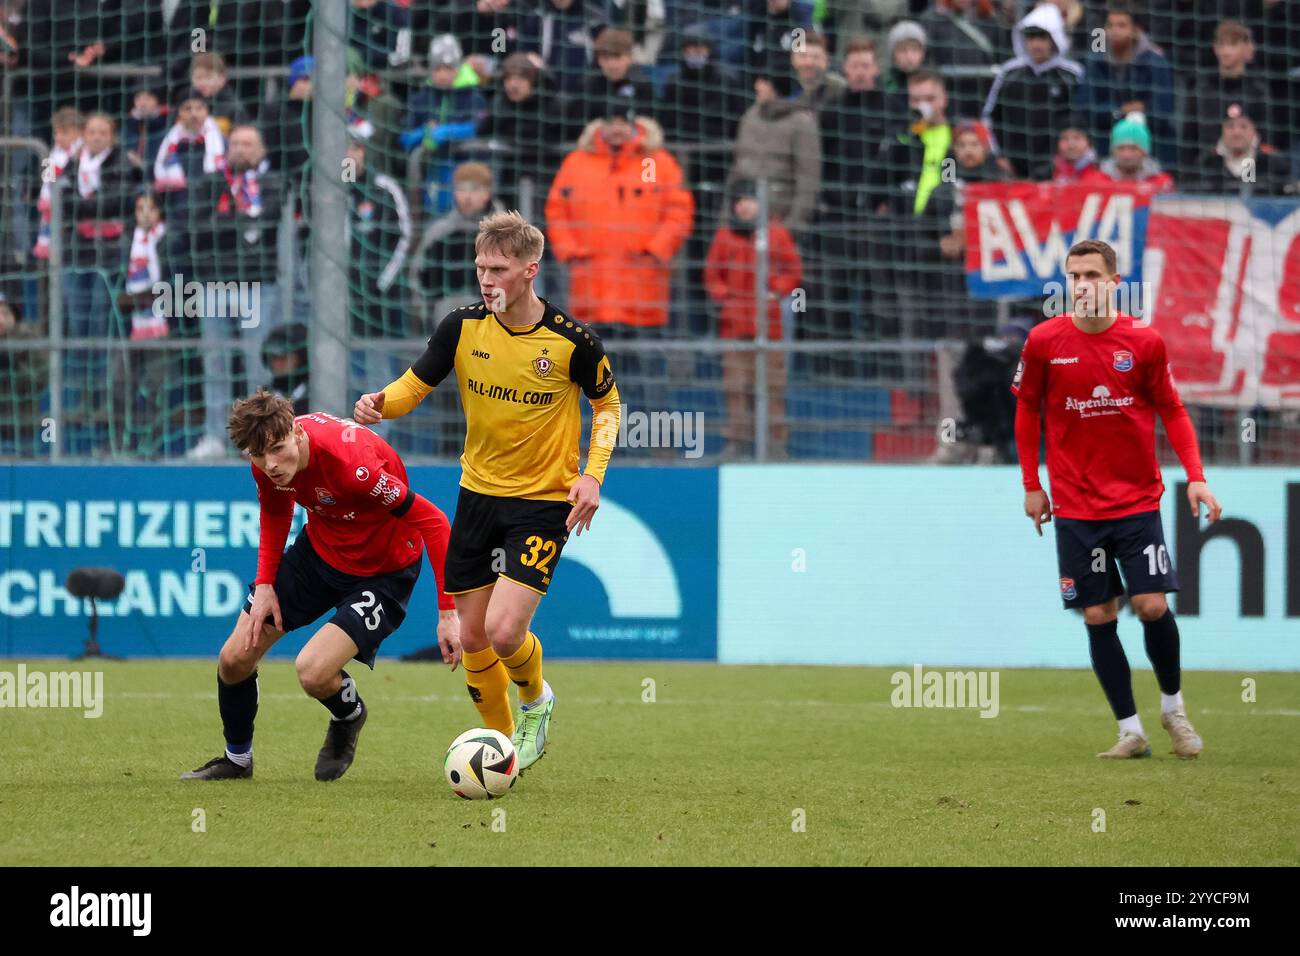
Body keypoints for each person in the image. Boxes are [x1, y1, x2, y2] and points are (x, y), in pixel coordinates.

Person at [352, 211, 621, 772]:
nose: (486, 279)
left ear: (530, 269)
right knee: (472, 635)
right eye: (480, 267)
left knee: (503, 632)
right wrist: (381, 404)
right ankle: (501, 751)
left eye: (497, 268)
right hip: (477, 494)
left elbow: (608, 404)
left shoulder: (572, 342)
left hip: (544, 502)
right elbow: (415, 383)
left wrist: (592, 474)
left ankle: (536, 702)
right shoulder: (461, 326)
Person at [1011, 238, 1222, 760]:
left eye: (1090, 276)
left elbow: (1172, 409)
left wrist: (1195, 475)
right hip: (1076, 507)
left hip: (1135, 501)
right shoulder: (1043, 341)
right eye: (1073, 276)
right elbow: (1026, 412)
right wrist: (1031, 485)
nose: (1080, 285)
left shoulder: (1144, 342)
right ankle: (1131, 730)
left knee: (1151, 605)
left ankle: (1173, 710)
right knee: (1099, 615)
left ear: (1114, 284)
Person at [181, 390, 458, 781]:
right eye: (259, 456)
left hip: (383, 573)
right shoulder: (264, 457)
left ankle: (349, 716)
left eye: (278, 450)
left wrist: (448, 613)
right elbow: (276, 514)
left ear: (296, 432)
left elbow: (434, 522)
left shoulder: (353, 467)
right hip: (319, 555)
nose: (271, 464)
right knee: (234, 659)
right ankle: (237, 760)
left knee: (312, 672)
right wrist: (264, 586)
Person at [546, 99, 695, 331]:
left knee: (643, 362)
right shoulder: (577, 163)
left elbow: (678, 210)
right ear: (599, 125)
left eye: (623, 122)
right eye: (611, 122)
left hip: (642, 285)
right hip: (591, 285)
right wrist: (569, 250)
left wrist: (657, 249)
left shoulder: (653, 162)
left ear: (634, 125)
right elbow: (557, 210)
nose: (617, 129)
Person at [704, 179, 802, 458]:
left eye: (749, 200)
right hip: (734, 326)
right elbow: (712, 275)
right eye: (740, 201)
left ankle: (776, 444)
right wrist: (726, 297)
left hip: (768, 325)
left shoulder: (776, 234)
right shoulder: (725, 236)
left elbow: (793, 269)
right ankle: (738, 442)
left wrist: (777, 291)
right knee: (736, 387)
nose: (744, 207)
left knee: (772, 387)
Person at [981, 2, 1083, 177]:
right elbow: (990, 117)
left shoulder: (1072, 75)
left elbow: (1080, 120)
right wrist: (998, 156)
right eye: (1031, 38)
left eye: (1042, 38)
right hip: (1011, 165)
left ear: (1054, 38)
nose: (1036, 44)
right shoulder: (1008, 73)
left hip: (1057, 166)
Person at [1187, 103, 1295, 197]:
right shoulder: (1206, 163)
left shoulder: (1274, 163)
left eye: (1243, 126)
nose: (1236, 133)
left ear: (1254, 130)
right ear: (1222, 131)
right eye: (1230, 126)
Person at [1098, 113, 1174, 192]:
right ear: (1113, 151)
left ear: (1145, 151)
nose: (1126, 155)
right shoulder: (1097, 182)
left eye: (1133, 149)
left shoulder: (1162, 183)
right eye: (1121, 148)